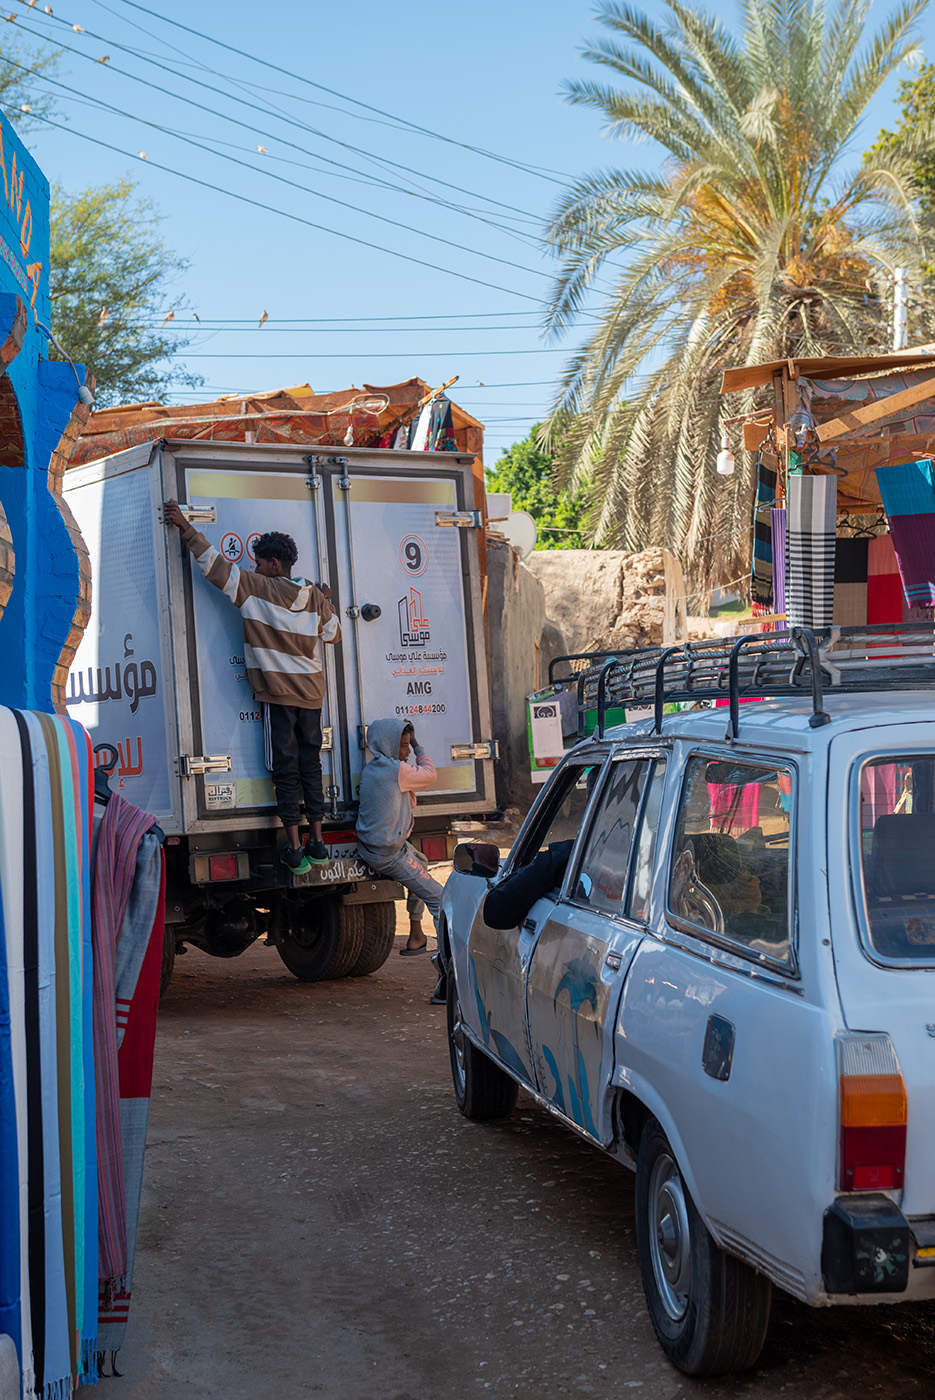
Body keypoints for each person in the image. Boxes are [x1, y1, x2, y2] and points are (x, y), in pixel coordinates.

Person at [164, 501, 340, 873]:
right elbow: (333, 634)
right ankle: (319, 843)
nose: (253, 567)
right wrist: (328, 601)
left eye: (259, 562)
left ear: (274, 565)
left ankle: (294, 849)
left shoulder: (256, 588)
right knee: (311, 765)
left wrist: (185, 527)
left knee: (285, 768)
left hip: (279, 696)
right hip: (312, 695)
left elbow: (214, 566)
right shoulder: (312, 594)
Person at [355, 718, 442, 957]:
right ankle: (449, 962)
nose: (406, 752)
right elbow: (430, 774)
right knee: (441, 901)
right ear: (389, 744)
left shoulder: (374, 768)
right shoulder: (396, 770)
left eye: (407, 745)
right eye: (403, 746)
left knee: (421, 863)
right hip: (389, 854)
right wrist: (417, 743)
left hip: (377, 848)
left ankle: (416, 935)